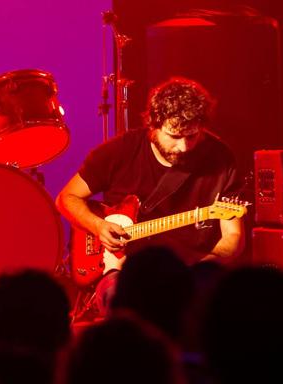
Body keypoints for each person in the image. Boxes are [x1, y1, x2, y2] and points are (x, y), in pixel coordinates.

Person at [56, 77, 244, 313]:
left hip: (190, 272)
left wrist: (187, 272)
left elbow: (233, 240)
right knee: (126, 305)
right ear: (153, 126)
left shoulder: (220, 158)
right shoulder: (120, 152)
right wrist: (98, 226)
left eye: (193, 136)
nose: (184, 146)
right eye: (175, 136)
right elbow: (67, 198)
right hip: (121, 270)